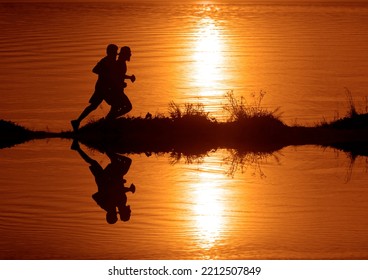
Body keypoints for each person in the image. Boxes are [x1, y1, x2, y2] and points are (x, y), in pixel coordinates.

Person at [71, 140, 136, 224]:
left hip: (103, 179)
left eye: (114, 216)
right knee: (101, 162)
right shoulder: (115, 205)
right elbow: (118, 190)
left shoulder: (109, 205)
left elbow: (112, 191)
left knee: (99, 162)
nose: (130, 211)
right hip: (107, 178)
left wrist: (104, 189)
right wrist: (127, 188)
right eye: (117, 216)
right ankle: (103, 148)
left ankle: (104, 148)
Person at [71, 44, 118, 131]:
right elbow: (94, 70)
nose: (116, 55)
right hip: (102, 88)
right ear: (110, 53)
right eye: (114, 53)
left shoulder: (112, 62)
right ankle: (108, 123)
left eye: (116, 53)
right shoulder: (105, 61)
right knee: (114, 104)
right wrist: (105, 73)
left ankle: (77, 121)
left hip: (106, 88)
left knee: (94, 106)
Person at [105, 46, 136, 120]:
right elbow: (116, 76)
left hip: (118, 89)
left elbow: (120, 75)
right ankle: (110, 119)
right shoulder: (120, 63)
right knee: (128, 107)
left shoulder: (121, 62)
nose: (130, 55)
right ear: (125, 54)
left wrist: (129, 78)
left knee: (115, 107)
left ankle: (109, 120)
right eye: (129, 53)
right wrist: (122, 82)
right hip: (116, 90)